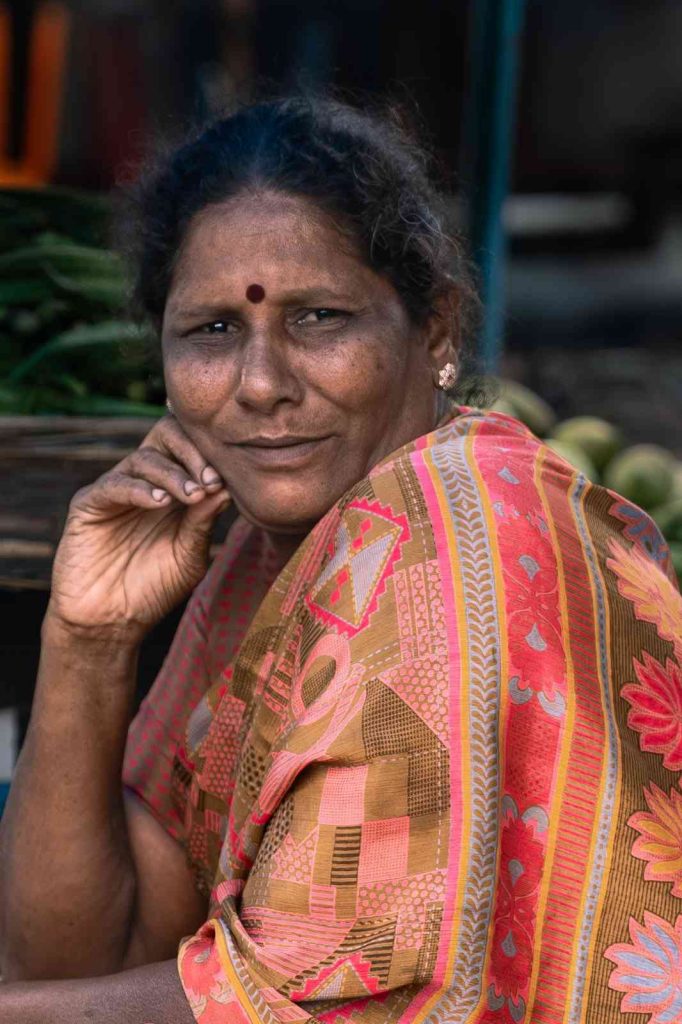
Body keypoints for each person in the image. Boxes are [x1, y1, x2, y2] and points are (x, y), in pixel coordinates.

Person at [1, 93, 681, 1024]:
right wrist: (88, 639)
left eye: (319, 318)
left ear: (435, 330)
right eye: (212, 331)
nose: (263, 385)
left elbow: (315, 1008)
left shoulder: (454, 532)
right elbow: (82, 951)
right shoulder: (261, 554)